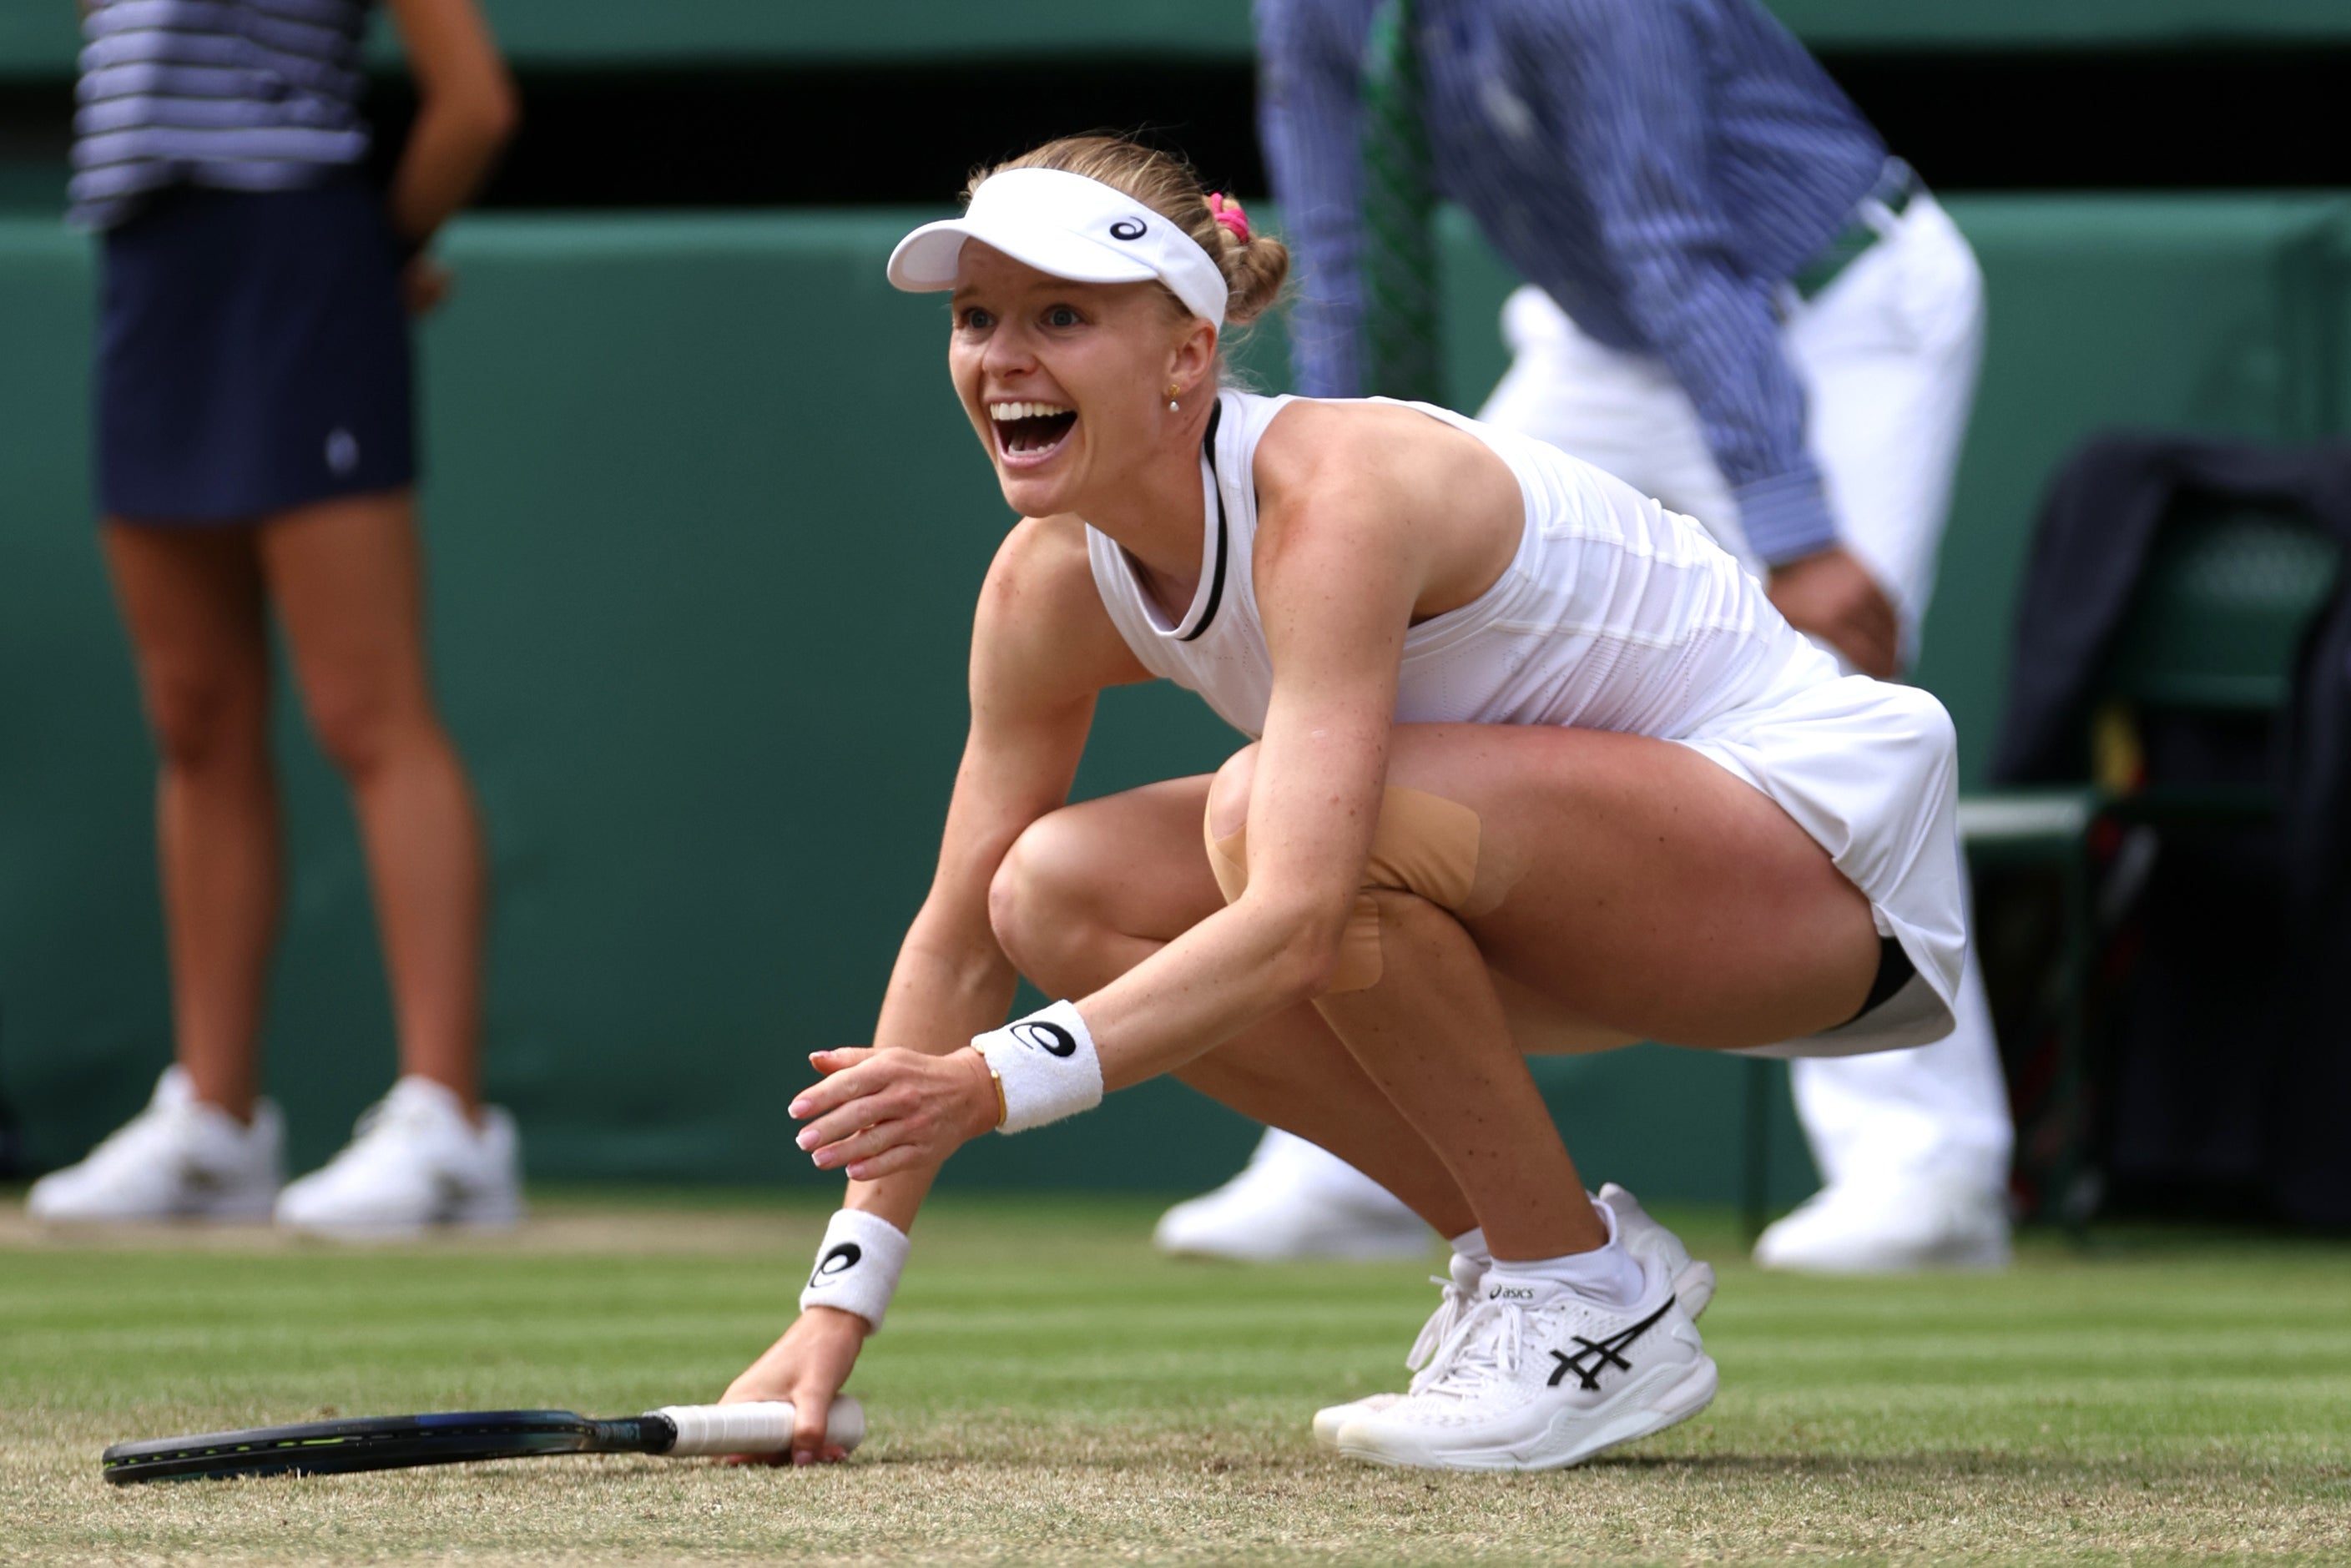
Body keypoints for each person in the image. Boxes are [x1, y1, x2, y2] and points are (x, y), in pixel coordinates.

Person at [714, 134, 1969, 1471]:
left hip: (1815, 898)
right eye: (977, 319)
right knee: (1049, 887)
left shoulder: (1338, 497)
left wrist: (992, 1083)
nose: (1001, 358)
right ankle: (1543, 1267)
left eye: (1060, 316)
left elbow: (1299, 917)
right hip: (1549, 907)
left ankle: (1582, 1290)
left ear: (1186, 355)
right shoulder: (1043, 584)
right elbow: (962, 941)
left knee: (1281, 824)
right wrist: (835, 1308)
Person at [1156, 0, 2013, 1274]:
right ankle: (1363, 1145)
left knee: (1830, 706)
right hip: (1603, 335)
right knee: (1384, 654)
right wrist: (1314, 514)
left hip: (1826, 308)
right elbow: (1330, 246)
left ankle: (1926, 1171)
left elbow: (1670, 229)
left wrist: (1792, 518)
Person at [27, 0, 522, 1232]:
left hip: (299, 258)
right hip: (147, 264)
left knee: (365, 707)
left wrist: (370, 252)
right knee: (190, 710)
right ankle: (213, 1122)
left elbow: (474, 103)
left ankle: (450, 1125)